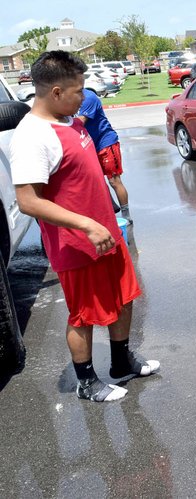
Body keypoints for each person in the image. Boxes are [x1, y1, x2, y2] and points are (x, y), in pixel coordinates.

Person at [10, 50, 159, 403]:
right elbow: (29, 201)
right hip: (77, 244)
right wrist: (85, 225)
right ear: (56, 92)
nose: (84, 97)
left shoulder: (71, 121)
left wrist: (106, 220)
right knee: (85, 315)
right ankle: (87, 382)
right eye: (78, 90)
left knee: (124, 300)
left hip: (107, 232)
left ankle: (121, 362)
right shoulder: (31, 136)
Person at [76, 87, 132, 224]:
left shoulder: (88, 97)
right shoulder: (69, 98)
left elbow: (80, 122)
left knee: (114, 180)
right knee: (96, 180)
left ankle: (126, 215)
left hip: (106, 143)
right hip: (88, 144)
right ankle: (111, 207)